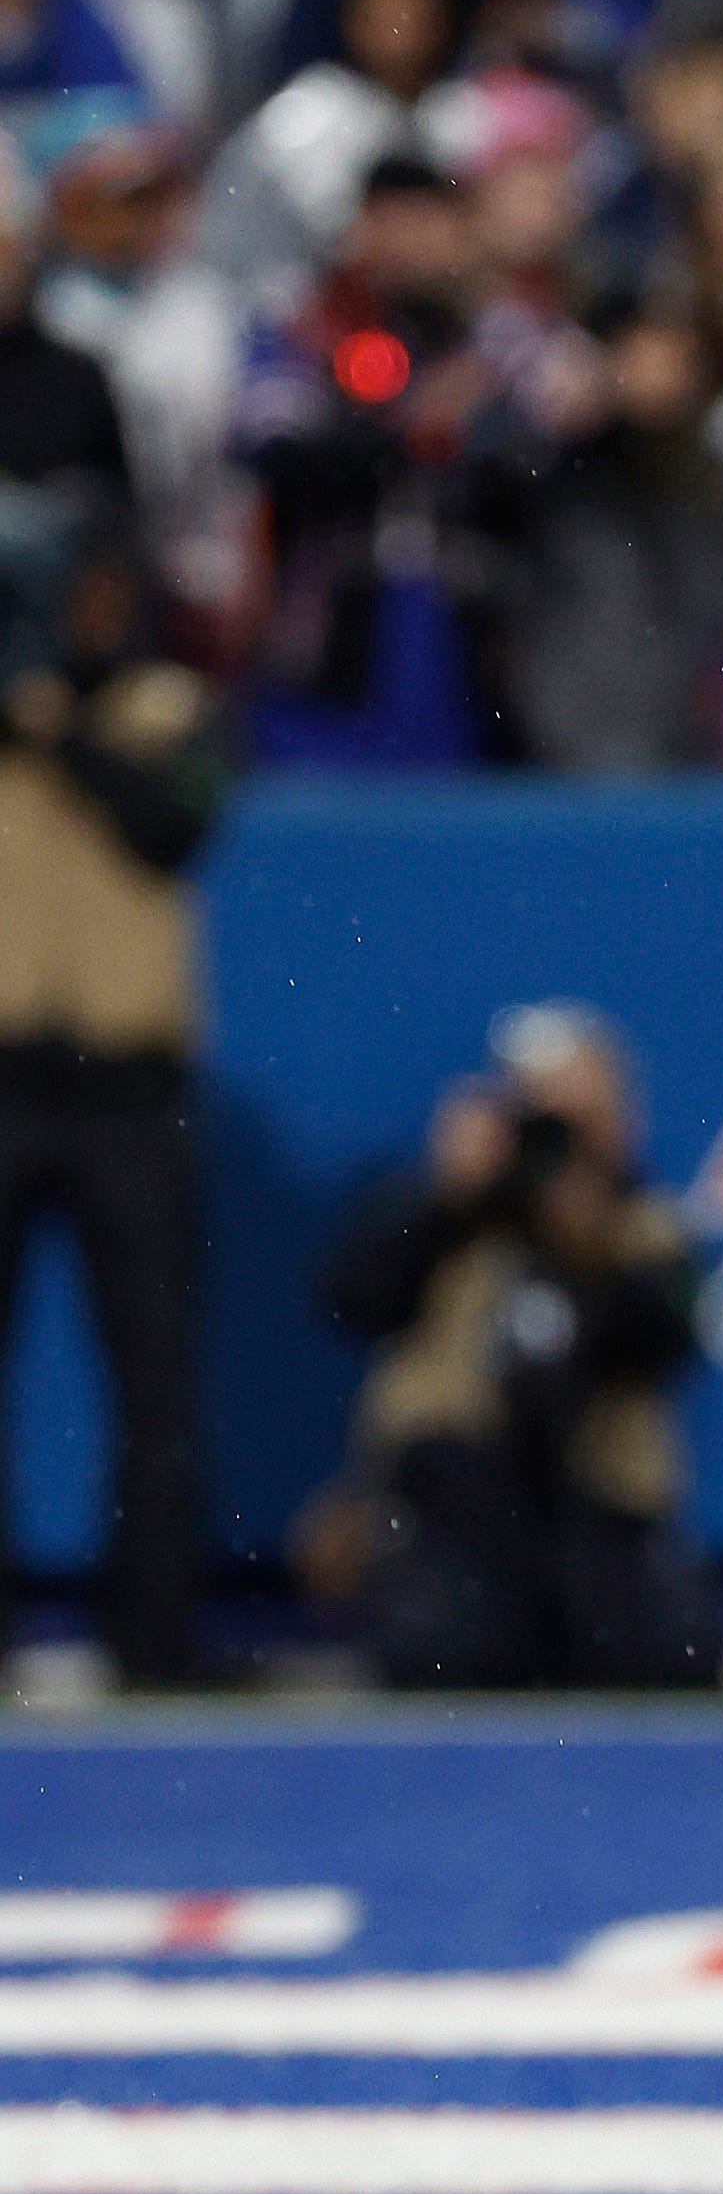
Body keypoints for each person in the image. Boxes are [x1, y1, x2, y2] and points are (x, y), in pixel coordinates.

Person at [313, 1005, 717, 1692]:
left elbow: (669, 1342)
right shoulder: (444, 1219)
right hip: (458, 1505)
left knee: (668, 1658)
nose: (551, 1146)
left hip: (599, 1507)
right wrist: (446, 1196)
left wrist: (589, 1241)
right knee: (446, 1653)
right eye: (535, 1119)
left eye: (574, 1121)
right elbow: (355, 1299)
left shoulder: (646, 1227)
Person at [0, 496, 228, 1690]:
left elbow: (174, 826)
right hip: (4, 1079)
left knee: (155, 1378)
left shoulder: (165, 704)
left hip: (131, 1088)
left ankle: (154, 1641)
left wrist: (63, 729)